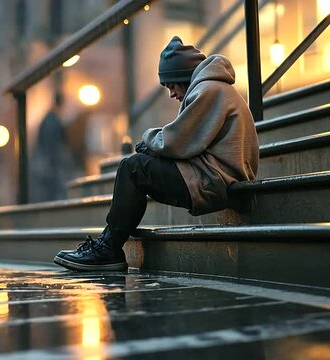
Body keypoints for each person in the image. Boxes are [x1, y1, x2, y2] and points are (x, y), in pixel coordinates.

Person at [53, 36, 259, 271]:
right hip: (210, 174)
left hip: (215, 180)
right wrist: (153, 147)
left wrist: (148, 140)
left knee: (132, 168)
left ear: (183, 76)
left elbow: (178, 141)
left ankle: (109, 247)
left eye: (171, 85)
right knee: (139, 163)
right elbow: (183, 142)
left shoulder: (210, 90)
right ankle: (108, 244)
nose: (171, 94)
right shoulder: (212, 88)